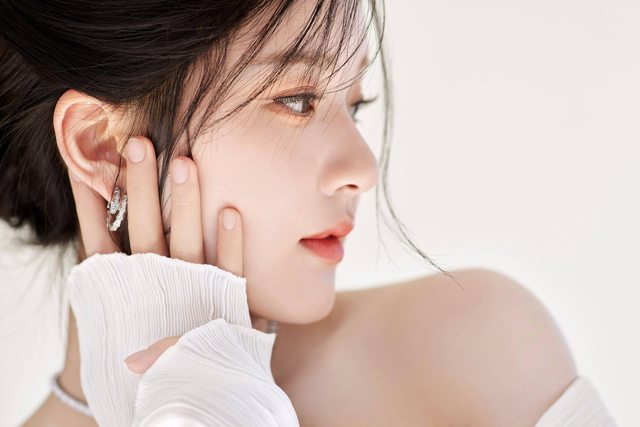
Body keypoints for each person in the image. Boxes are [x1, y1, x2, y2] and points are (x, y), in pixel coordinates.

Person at [0, 0, 616, 426]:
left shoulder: (477, 351)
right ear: (102, 146)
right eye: (297, 100)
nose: (364, 168)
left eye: (356, 104)